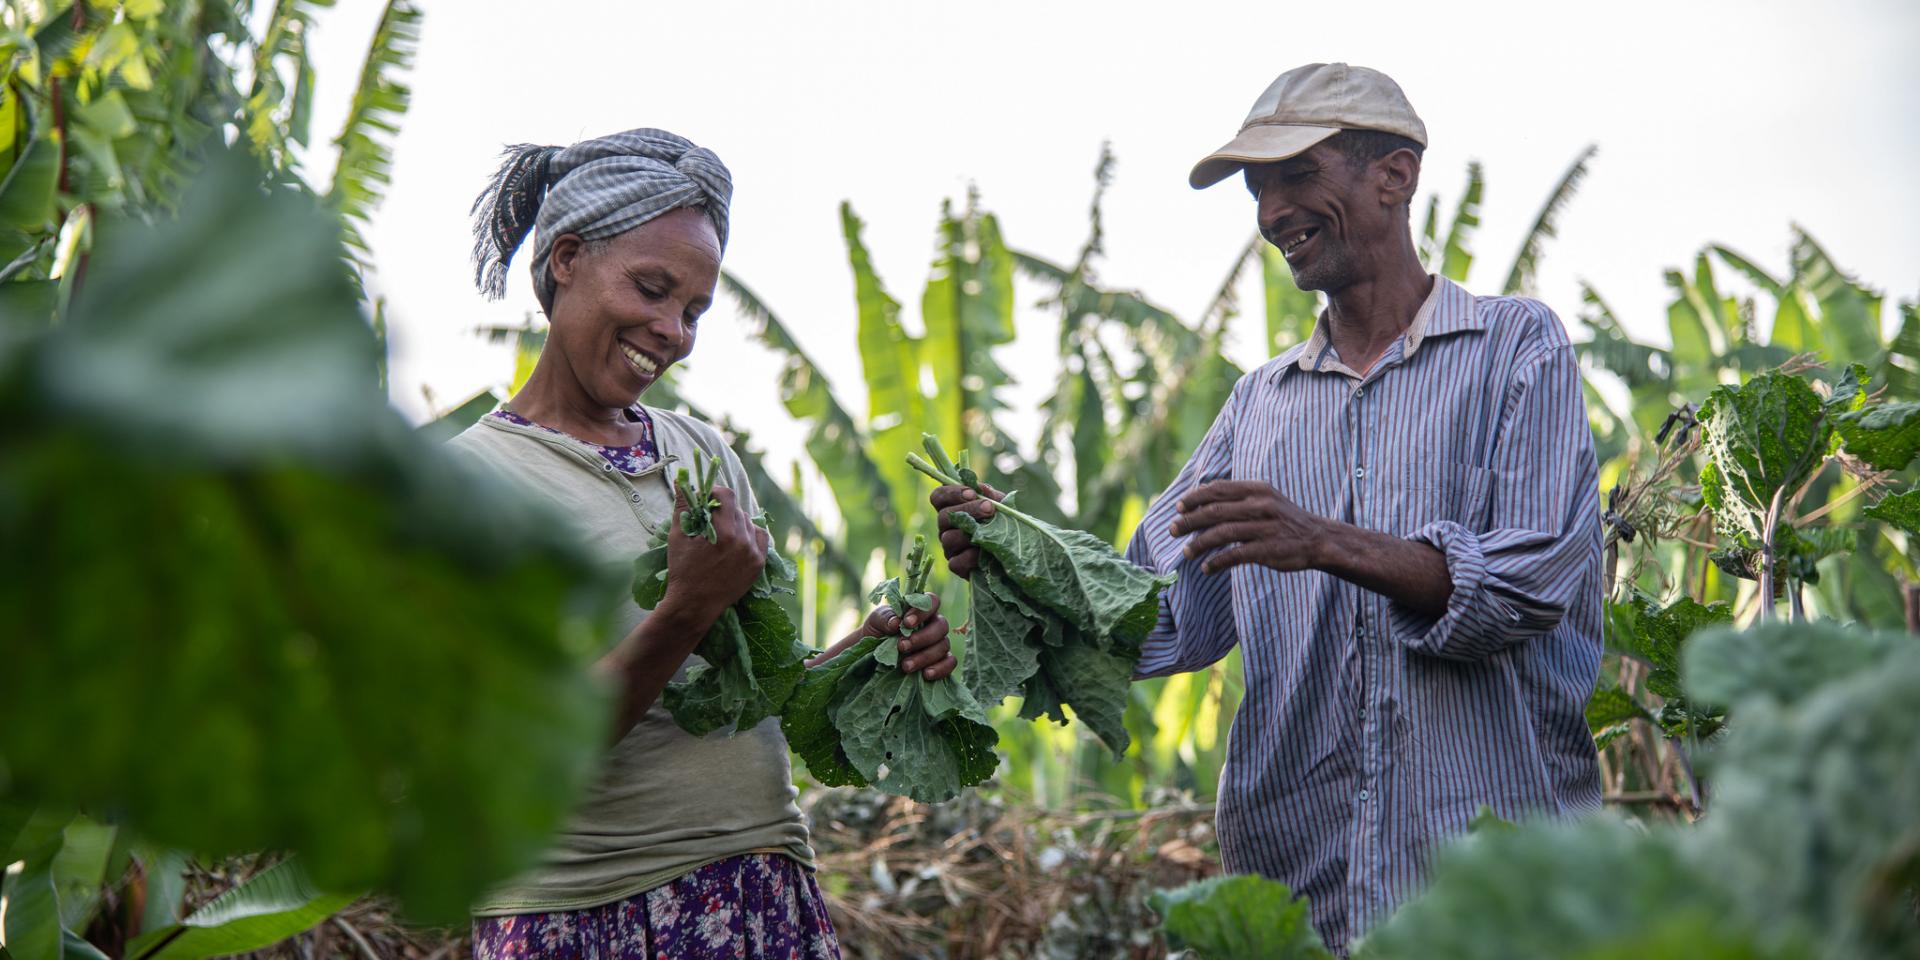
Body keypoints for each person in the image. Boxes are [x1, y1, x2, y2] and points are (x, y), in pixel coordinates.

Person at [933, 64, 1603, 950]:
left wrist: (1321, 540)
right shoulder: (1261, 405)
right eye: (1258, 190)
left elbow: (1526, 586)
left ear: (1393, 177)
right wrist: (1018, 573)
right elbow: (1159, 615)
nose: (1272, 212)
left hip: (1497, 894)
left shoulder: (1515, 348)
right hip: (1302, 891)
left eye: (1298, 176)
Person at [449, 128, 956, 960]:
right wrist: (685, 607)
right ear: (567, 258)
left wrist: (869, 653)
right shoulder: (468, 486)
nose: (672, 331)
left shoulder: (700, 453)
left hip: (758, 891)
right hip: (584, 916)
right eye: (651, 289)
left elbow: (750, 697)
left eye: (693, 311)